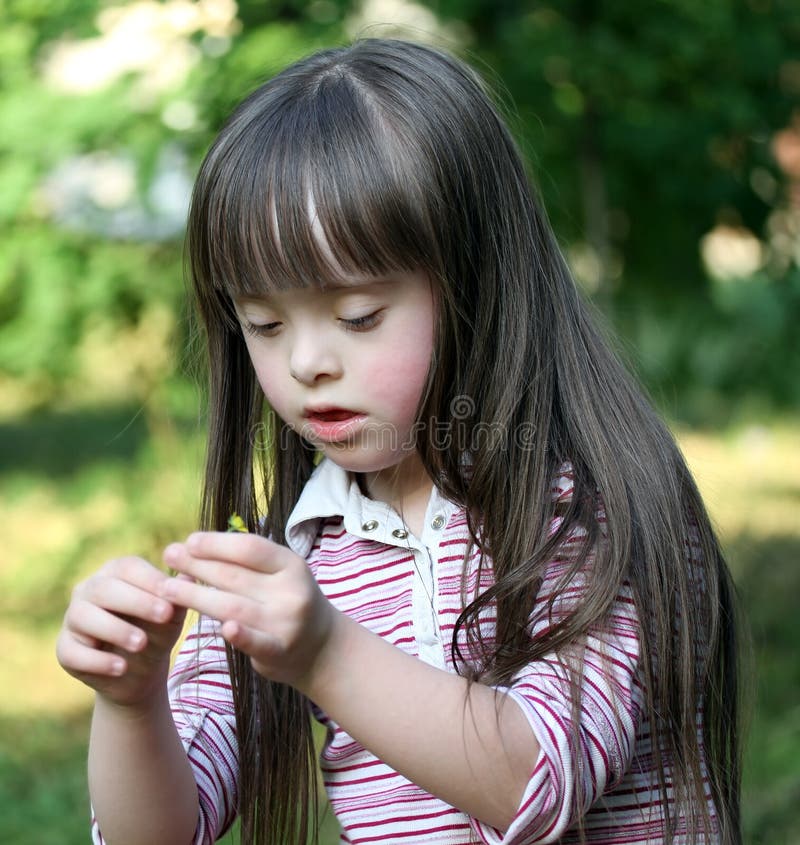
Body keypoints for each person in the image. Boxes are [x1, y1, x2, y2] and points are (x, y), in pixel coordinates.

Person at [56, 38, 743, 845]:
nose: (308, 362)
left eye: (358, 317)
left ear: (476, 282)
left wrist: (324, 655)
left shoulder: (594, 505)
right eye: (265, 324)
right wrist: (130, 699)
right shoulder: (299, 555)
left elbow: (542, 780)